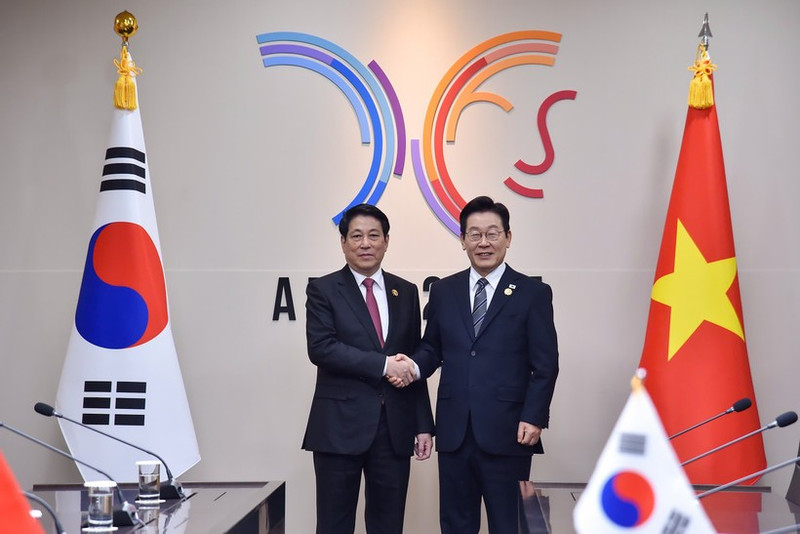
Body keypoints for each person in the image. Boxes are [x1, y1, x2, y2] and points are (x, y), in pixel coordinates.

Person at [394, 195, 559, 534]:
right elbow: (431, 348)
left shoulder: (532, 293)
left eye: (492, 233)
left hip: (510, 431)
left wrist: (534, 415)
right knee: (456, 524)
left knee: (508, 524)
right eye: (475, 234)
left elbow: (546, 364)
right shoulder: (444, 291)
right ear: (463, 240)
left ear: (508, 238)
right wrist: (410, 365)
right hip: (455, 433)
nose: (484, 243)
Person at [302, 203, 434, 534]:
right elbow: (322, 348)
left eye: (374, 235)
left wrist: (423, 424)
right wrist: (382, 364)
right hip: (338, 428)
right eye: (356, 236)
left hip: (394, 429)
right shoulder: (324, 289)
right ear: (343, 242)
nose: (365, 243)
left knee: (388, 525)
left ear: (386, 241)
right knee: (334, 525)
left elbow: (411, 359)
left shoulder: (404, 291)